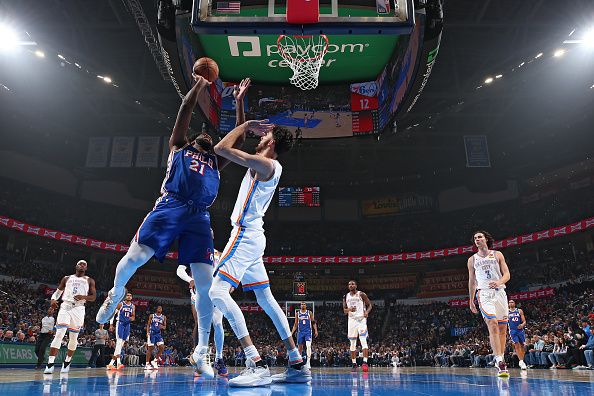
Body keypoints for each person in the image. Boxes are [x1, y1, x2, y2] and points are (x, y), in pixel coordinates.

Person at [96, 76, 251, 378]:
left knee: (207, 285)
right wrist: (200, 86)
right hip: (171, 204)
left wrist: (240, 102)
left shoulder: (216, 161)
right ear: (191, 141)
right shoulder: (179, 147)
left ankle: (202, 351)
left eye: (209, 135)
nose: (206, 135)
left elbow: (240, 140)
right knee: (136, 258)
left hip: (199, 217)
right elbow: (185, 109)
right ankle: (115, 293)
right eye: (201, 135)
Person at [197, 119, 308, 387]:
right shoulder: (268, 163)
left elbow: (223, 148)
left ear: (270, 143)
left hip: (244, 235)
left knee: (216, 292)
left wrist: (246, 125)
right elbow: (236, 140)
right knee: (266, 299)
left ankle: (255, 363)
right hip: (254, 236)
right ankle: (296, 362)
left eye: (263, 136)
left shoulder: (266, 164)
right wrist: (239, 108)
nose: (258, 138)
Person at [467, 230, 511, 377]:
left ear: (486, 239)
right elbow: (472, 281)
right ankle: (499, 361)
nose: (477, 239)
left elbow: (507, 274)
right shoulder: (472, 259)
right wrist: (471, 299)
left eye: (479, 237)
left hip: (500, 293)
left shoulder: (497, 254)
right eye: (475, 238)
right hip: (484, 293)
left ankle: (501, 357)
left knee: (503, 328)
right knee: (492, 323)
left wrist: (498, 282)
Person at [177, 259, 228, 376]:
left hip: (215, 292)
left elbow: (228, 272)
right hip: (198, 293)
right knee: (199, 323)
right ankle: (199, 358)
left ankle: (219, 359)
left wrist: (229, 285)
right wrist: (190, 279)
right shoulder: (193, 250)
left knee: (218, 324)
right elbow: (179, 270)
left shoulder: (219, 255)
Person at [44, 260, 97, 374]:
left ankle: (67, 361)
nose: (82, 265)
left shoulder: (89, 280)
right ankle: (50, 364)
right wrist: (53, 299)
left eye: (84, 264)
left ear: (86, 268)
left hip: (79, 308)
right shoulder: (66, 278)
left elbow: (93, 297)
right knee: (59, 334)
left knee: (73, 338)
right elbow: (58, 292)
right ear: (76, 266)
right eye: (80, 263)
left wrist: (83, 296)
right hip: (65, 307)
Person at [343, 280, 373, 372]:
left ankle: (365, 363)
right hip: (351, 321)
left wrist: (367, 312)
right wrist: (349, 309)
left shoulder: (361, 294)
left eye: (352, 284)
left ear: (356, 285)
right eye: (349, 284)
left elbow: (370, 305)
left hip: (361, 320)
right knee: (352, 344)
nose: (351, 285)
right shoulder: (346, 296)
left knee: (363, 340)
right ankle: (354, 364)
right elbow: (344, 311)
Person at [107, 292, 135, 370]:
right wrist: (111, 324)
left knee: (121, 345)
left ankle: (111, 363)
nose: (129, 296)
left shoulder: (133, 306)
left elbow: (133, 316)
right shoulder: (120, 304)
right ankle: (118, 362)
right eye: (128, 295)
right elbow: (113, 314)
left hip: (127, 325)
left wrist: (132, 318)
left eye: (130, 295)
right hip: (120, 324)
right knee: (119, 342)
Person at [291, 302, 318, 368]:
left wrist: (316, 330)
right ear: (300, 306)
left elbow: (313, 322)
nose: (303, 305)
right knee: (300, 348)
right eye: (302, 304)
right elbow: (295, 324)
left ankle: (308, 362)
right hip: (300, 332)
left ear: (306, 306)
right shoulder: (298, 313)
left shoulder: (309, 313)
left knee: (308, 345)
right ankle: (299, 362)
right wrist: (291, 333)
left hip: (308, 332)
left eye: (304, 304)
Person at [145, 306, 167, 370]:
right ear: (156, 309)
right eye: (159, 308)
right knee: (150, 348)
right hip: (152, 333)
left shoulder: (164, 317)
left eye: (161, 308)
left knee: (162, 347)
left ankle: (155, 360)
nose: (160, 309)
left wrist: (162, 327)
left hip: (158, 334)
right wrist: (147, 332)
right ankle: (147, 364)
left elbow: (165, 327)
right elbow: (148, 324)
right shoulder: (152, 316)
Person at [508, 299, 527, 369]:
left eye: (512, 302)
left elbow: (524, 321)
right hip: (512, 330)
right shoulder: (506, 312)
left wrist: (522, 325)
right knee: (517, 345)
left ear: (515, 303)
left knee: (522, 345)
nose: (511, 303)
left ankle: (521, 360)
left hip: (520, 330)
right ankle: (521, 361)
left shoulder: (519, 311)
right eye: (509, 302)